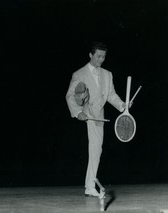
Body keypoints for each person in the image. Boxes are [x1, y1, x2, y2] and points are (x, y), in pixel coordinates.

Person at [66, 42, 125, 197]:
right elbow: (71, 96)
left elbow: (111, 95)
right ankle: (90, 186)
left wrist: (122, 105)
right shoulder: (79, 74)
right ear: (90, 55)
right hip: (88, 114)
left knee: (96, 149)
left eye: (104, 56)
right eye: (98, 56)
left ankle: (89, 185)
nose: (101, 59)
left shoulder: (107, 74)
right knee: (94, 149)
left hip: (99, 116)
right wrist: (78, 112)